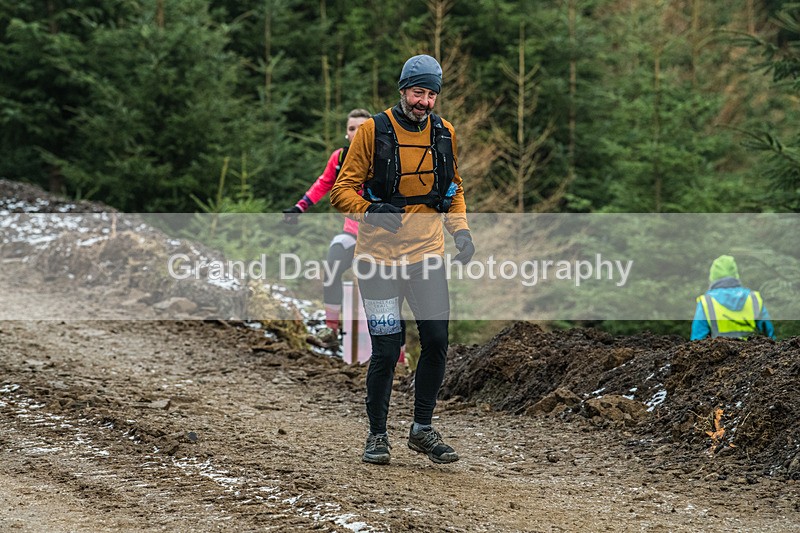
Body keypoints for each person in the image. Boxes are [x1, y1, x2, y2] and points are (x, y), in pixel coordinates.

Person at [330, 54, 475, 465]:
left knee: (436, 340)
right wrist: (370, 211)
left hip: (427, 256)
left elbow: (454, 189)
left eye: (431, 94)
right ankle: (377, 435)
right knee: (387, 347)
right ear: (402, 90)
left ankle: (422, 429)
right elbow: (342, 188)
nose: (424, 101)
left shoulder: (444, 132)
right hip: (377, 260)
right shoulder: (373, 131)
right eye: (418, 92)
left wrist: (461, 232)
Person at [282, 108, 372, 349]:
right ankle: (331, 330)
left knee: (382, 288)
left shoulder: (383, 159)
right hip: (352, 233)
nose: (356, 133)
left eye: (362, 129)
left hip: (381, 237)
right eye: (351, 129)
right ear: (346, 133)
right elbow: (323, 183)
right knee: (332, 266)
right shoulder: (340, 158)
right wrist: (299, 208)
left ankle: (397, 352)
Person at [691, 254, 776, 340]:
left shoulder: (707, 302)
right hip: (752, 352)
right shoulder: (753, 299)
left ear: (713, 277)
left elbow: (697, 340)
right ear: (735, 274)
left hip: (718, 352)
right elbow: (769, 336)